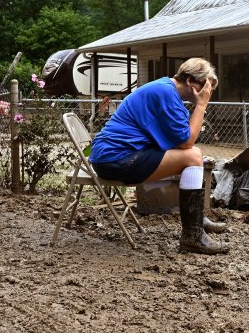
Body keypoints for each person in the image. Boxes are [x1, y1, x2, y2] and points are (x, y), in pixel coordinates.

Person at [89, 58, 229, 255]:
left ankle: (196, 221)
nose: (207, 92)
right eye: (204, 85)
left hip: (116, 155)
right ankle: (193, 235)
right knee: (193, 156)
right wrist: (201, 105)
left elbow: (178, 140)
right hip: (116, 158)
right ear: (189, 80)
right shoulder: (165, 93)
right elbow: (187, 141)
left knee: (192, 155)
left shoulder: (167, 91)